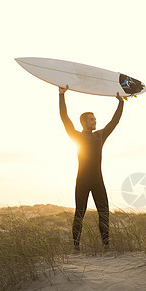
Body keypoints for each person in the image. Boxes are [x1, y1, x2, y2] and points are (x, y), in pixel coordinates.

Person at [59, 85, 124, 251]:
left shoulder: (100, 136)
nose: (95, 121)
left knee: (104, 213)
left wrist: (121, 102)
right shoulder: (77, 137)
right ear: (83, 122)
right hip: (82, 181)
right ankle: (76, 248)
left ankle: (106, 245)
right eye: (91, 119)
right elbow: (64, 118)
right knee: (79, 214)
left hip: (97, 180)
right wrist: (61, 95)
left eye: (95, 119)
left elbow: (114, 121)